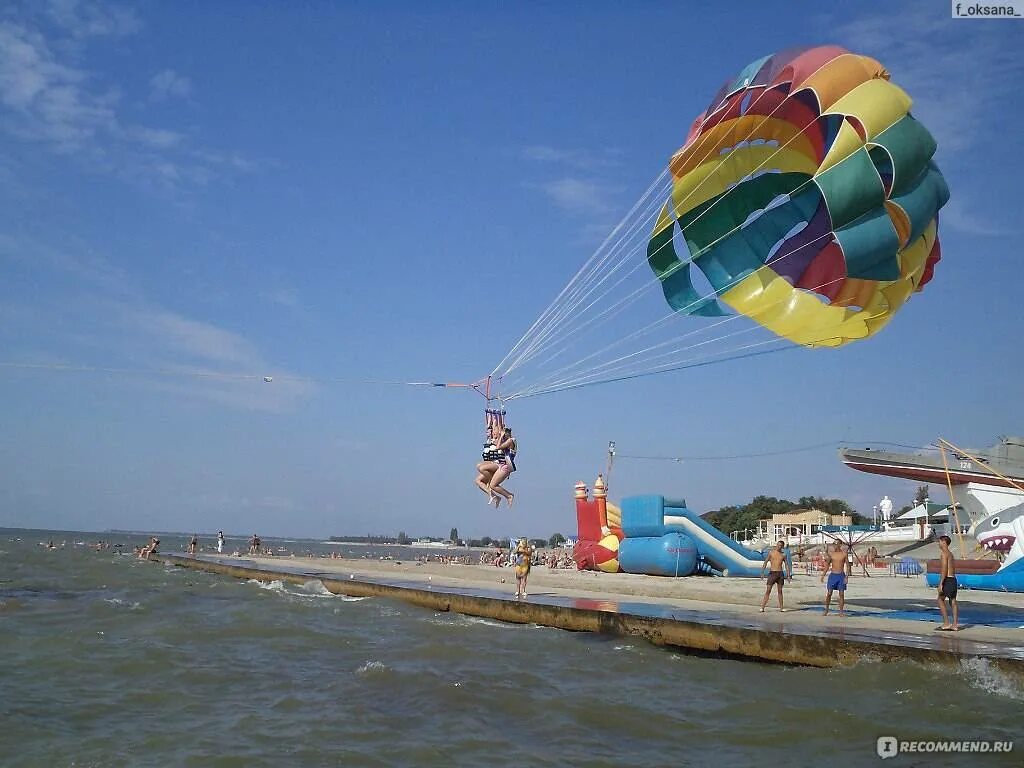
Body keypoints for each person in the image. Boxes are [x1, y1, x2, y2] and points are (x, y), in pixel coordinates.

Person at [488, 426, 517, 508]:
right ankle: (505, 496)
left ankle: (509, 496)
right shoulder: (510, 441)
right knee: (491, 483)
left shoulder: (510, 441)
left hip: (506, 466)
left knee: (493, 485)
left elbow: (498, 447)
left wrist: (500, 436)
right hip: (503, 465)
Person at [475, 422, 504, 505]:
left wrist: (498, 418)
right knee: (478, 481)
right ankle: (494, 496)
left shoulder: (499, 441)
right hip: (491, 465)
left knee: (480, 467)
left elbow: (498, 425)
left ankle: (490, 482)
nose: (492, 433)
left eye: (494, 431)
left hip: (497, 465)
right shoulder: (490, 440)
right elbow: (490, 424)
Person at [936, 535, 960, 631]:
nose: (939, 544)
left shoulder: (944, 554)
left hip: (947, 579)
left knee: (940, 600)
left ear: (944, 542)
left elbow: (944, 569)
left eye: (940, 542)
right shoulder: (950, 554)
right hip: (953, 579)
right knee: (953, 601)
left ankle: (946, 623)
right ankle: (955, 625)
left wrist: (941, 583)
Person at [760, 541, 790, 612]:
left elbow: (786, 565)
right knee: (768, 590)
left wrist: (788, 575)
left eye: (781, 546)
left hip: (780, 573)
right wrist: (762, 572)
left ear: (782, 547)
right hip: (772, 573)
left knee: (780, 591)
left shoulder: (783, 555)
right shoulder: (771, 553)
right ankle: (762, 607)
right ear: (776, 545)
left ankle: (781, 608)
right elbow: (766, 562)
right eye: (778, 545)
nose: (779, 547)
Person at [820, 541, 849, 616]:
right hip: (833, 575)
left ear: (840, 545)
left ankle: (841, 611)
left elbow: (848, 566)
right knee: (829, 593)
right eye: (834, 544)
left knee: (841, 594)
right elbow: (827, 565)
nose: (835, 546)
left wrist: (846, 577)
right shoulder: (832, 555)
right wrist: (823, 575)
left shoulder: (844, 554)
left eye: (837, 544)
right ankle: (826, 609)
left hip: (841, 575)